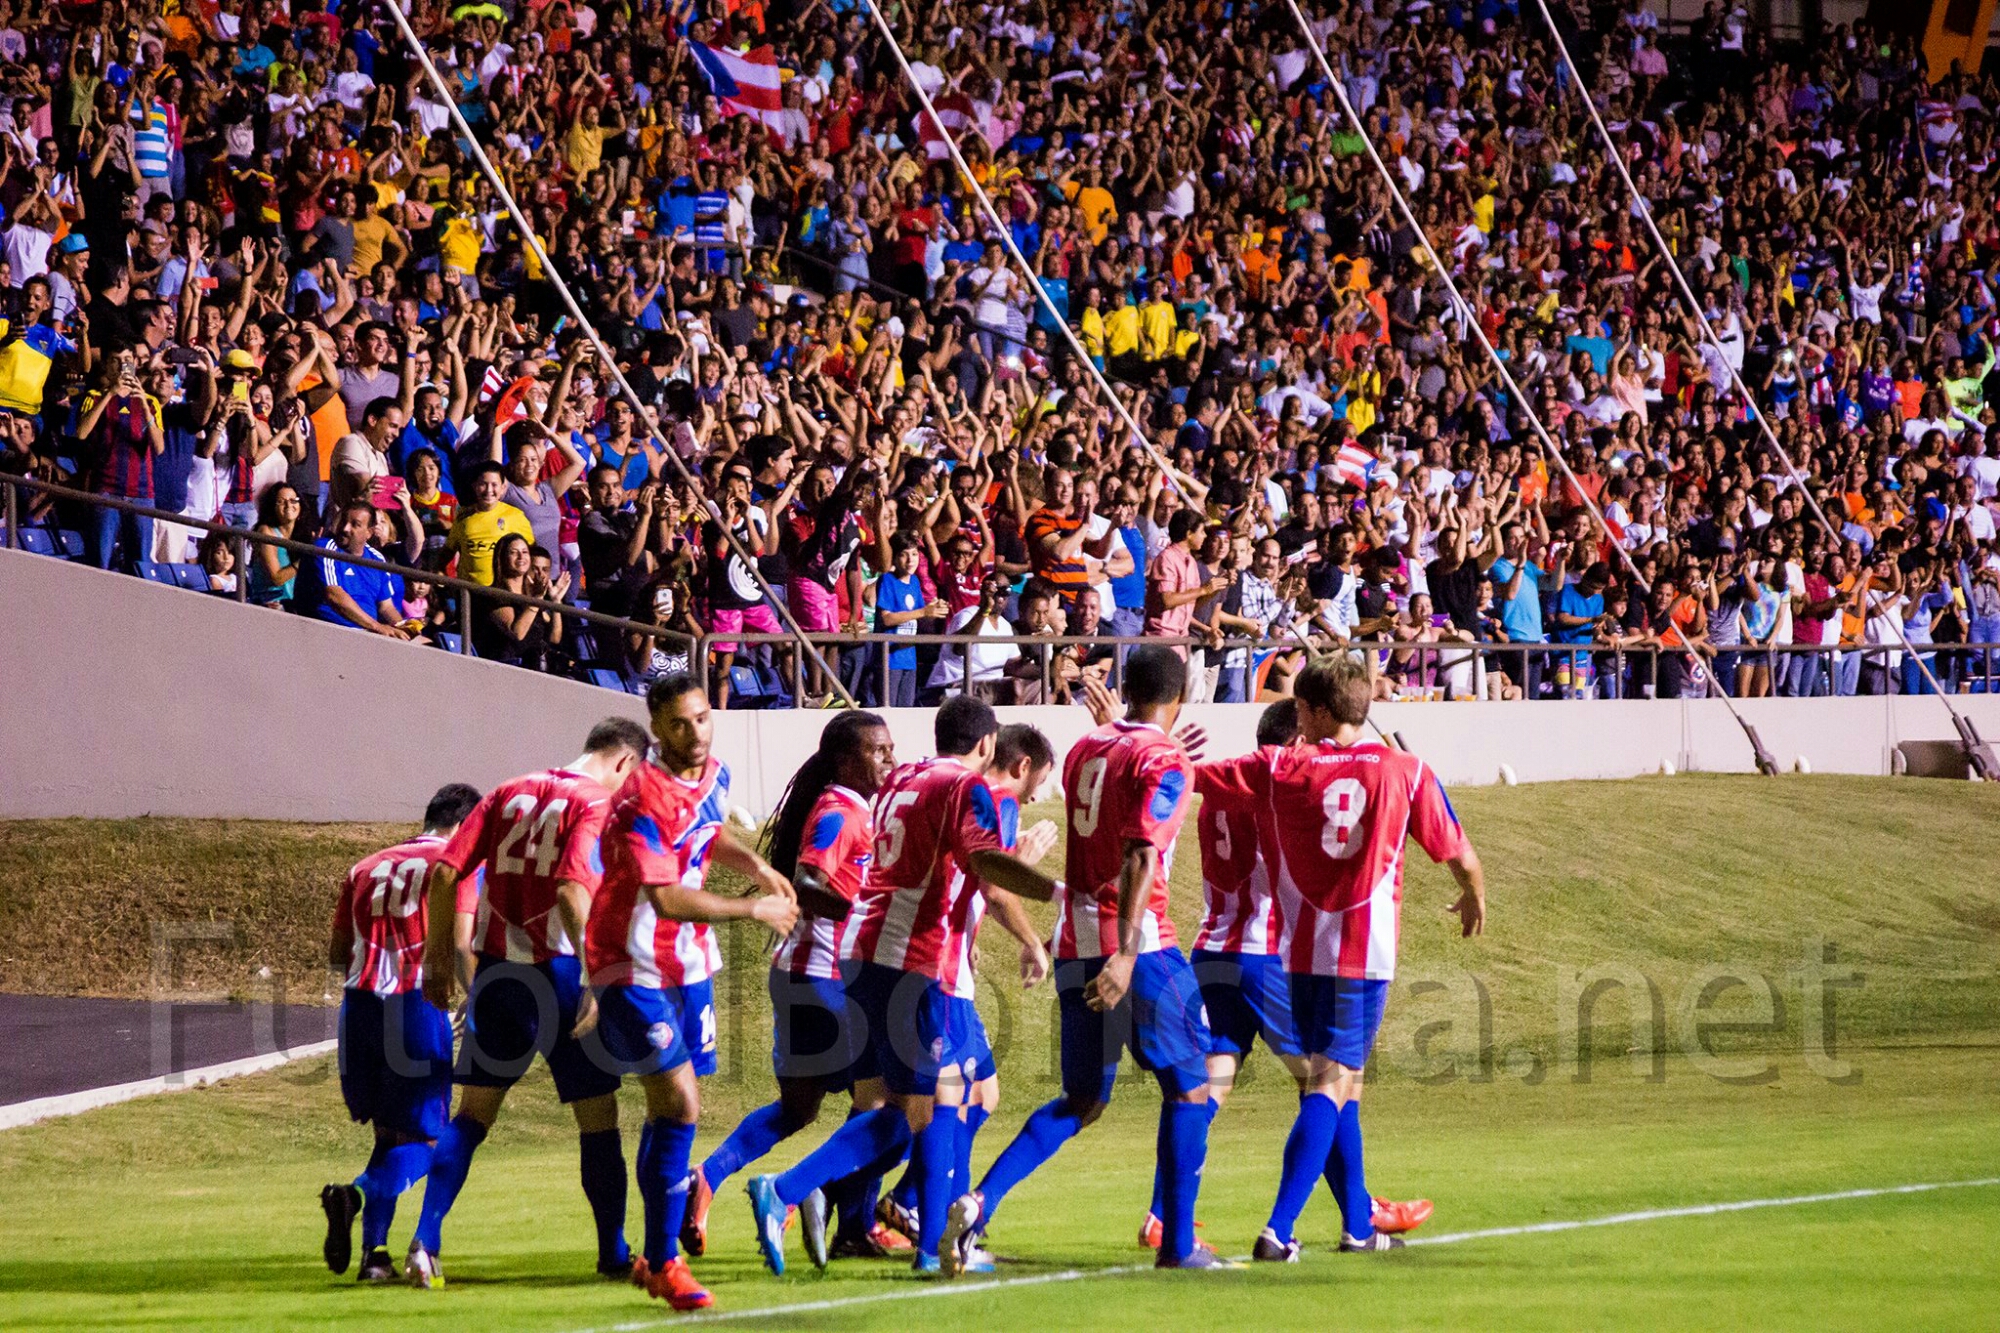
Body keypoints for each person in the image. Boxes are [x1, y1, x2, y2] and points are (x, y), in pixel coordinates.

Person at [746, 697, 1055, 1277]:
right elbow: (988, 869)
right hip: (917, 961)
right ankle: (805, 1194)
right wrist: (1053, 892)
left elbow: (941, 866)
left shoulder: (905, 777)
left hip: (868, 954)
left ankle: (922, 1236)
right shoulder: (968, 789)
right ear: (988, 744)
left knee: (940, 1100)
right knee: (937, 1105)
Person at [940, 646, 1223, 1273]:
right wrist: (1126, 954)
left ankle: (977, 1205)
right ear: (1181, 696)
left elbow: (1117, 781)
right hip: (1138, 943)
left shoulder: (1087, 748)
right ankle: (1178, 1245)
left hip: (1073, 939)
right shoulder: (1163, 757)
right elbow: (1141, 852)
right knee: (1193, 1086)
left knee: (1083, 1098)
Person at [1194, 654, 1485, 1261]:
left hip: (1299, 952)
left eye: (1302, 707)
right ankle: (1278, 1230)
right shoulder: (1405, 770)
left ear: (1323, 711)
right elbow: (1458, 853)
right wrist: (1473, 894)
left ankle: (1358, 1226)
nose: (1296, 717)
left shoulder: (1283, 765)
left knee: (1338, 1085)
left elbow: (1197, 776)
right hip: (1363, 953)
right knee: (1332, 1082)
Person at [405, 718, 653, 1289]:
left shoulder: (506, 790)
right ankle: (613, 1250)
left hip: (498, 974)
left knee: (472, 1116)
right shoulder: (595, 802)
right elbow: (570, 888)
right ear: (625, 762)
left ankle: (425, 1240)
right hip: (561, 974)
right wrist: (597, 974)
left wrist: (439, 957)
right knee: (598, 1119)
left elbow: (445, 871)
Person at [582, 673, 801, 1310]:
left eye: (702, 718)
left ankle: (654, 1257)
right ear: (656, 726)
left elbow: (707, 833)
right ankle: (664, 1262)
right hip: (629, 963)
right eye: (679, 723)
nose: (695, 732)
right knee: (681, 1105)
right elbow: (666, 898)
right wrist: (752, 907)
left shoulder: (714, 775)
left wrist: (756, 865)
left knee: (668, 1111)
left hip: (689, 965)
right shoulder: (640, 799)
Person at [680, 711, 902, 1260]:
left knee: (799, 1109)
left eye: (890, 749)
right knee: (888, 1101)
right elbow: (806, 881)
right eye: (878, 751)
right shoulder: (840, 811)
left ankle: (705, 1178)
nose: (889, 760)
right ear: (846, 761)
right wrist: (861, 910)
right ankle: (840, 1215)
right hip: (825, 977)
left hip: (805, 973)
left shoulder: (850, 806)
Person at [319, 782, 483, 1285]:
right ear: (465, 825)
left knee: (389, 1134)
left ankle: (374, 1257)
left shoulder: (364, 867)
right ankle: (355, 1195)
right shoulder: (454, 865)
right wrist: (479, 998)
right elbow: (461, 945)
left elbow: (336, 952)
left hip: (358, 1007)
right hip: (414, 1003)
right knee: (429, 1140)